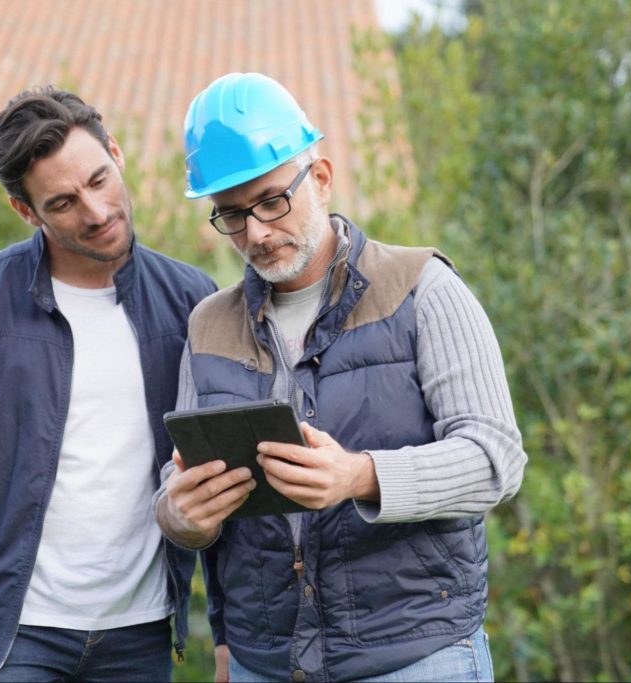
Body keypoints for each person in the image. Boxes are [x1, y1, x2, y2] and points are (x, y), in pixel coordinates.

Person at [155, 72, 528, 682]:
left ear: (321, 179)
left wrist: (360, 476)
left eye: (272, 201)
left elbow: (495, 460)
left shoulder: (424, 290)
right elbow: (183, 488)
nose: (256, 233)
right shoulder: (207, 325)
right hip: (264, 664)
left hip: (415, 658)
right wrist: (181, 515)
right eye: (231, 215)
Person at [0, 86, 217, 682]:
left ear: (115, 152)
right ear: (25, 211)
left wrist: (233, 637)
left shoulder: (191, 300)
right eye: (62, 202)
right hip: (9, 640)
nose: (96, 211)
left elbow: (220, 480)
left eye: (100, 179)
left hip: (141, 636)